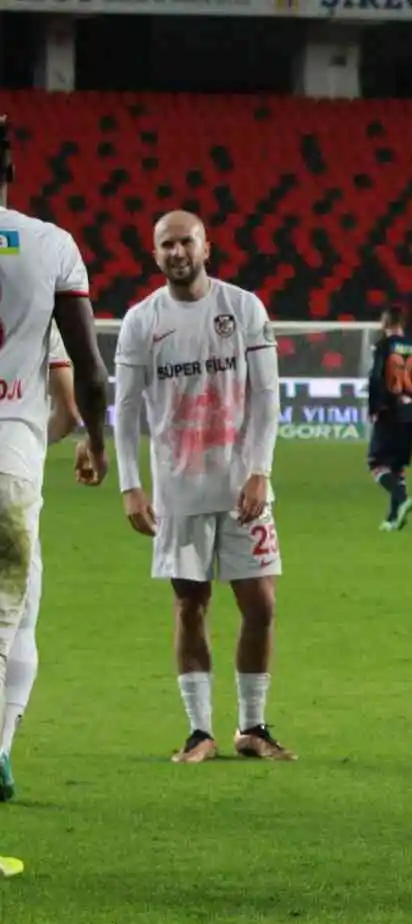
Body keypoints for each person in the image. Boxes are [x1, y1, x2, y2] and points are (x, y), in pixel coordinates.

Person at [114, 210, 292, 764]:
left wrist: (260, 469)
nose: (176, 251)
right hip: (179, 491)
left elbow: (266, 396)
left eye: (185, 241)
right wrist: (131, 485)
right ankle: (199, 732)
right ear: (155, 255)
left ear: (206, 246)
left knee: (260, 604)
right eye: (165, 244)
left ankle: (253, 727)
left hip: (244, 491)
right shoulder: (142, 320)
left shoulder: (243, 309)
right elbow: (124, 410)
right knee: (191, 605)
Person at [0, 114, 112, 817]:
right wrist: (95, 440)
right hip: (10, 460)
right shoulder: (49, 246)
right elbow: (90, 381)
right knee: (15, 612)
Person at [0, 326, 87, 801]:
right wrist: (31, 450)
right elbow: (70, 412)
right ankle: (2, 749)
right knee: (18, 621)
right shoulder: (38, 315)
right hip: (12, 484)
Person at [367, 305, 412, 531]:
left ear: (386, 323)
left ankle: (402, 499)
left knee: (376, 464)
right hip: (410, 414)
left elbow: (376, 378)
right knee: (398, 468)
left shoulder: (383, 347)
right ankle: (392, 519)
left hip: (389, 411)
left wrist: (374, 408)